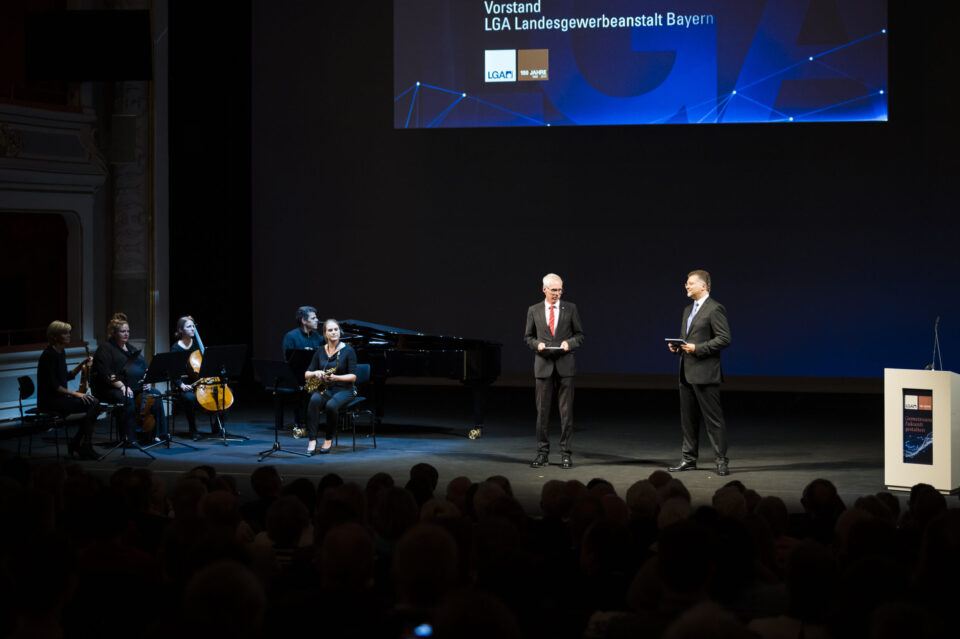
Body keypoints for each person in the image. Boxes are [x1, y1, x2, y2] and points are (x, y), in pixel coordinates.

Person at [667, 270, 731, 476]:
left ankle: (721, 461)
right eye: (686, 283)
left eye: (690, 283)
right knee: (688, 420)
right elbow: (687, 338)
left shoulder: (715, 309)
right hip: (686, 372)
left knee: (713, 420)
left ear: (703, 286)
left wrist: (698, 348)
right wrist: (678, 346)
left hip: (705, 373)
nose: (686, 286)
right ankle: (688, 459)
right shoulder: (687, 310)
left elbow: (724, 339)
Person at [524, 273, 585, 469]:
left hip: (565, 365)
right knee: (542, 413)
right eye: (553, 290)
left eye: (560, 290)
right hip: (543, 366)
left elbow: (580, 335)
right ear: (544, 289)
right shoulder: (534, 310)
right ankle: (542, 453)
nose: (557, 293)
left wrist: (570, 343)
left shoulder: (571, 308)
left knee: (566, 414)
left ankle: (566, 454)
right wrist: (537, 345)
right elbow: (528, 337)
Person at [92, 313, 168, 445]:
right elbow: (106, 373)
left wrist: (147, 381)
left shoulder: (131, 349)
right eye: (122, 331)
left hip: (133, 387)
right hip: (110, 388)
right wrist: (122, 386)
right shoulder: (105, 349)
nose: (126, 334)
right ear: (114, 333)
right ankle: (130, 438)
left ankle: (160, 434)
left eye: (128, 331)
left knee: (156, 395)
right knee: (126, 399)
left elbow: (144, 368)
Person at [36, 321, 100, 459]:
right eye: (65, 333)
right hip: (50, 401)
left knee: (94, 403)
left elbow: (66, 376)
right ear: (55, 336)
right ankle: (81, 444)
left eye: (69, 332)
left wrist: (82, 364)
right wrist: (77, 394)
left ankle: (80, 443)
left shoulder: (60, 352)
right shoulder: (48, 355)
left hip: (59, 398)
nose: (69, 335)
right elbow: (54, 386)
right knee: (93, 402)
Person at [304, 319, 357, 455]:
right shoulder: (320, 351)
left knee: (331, 406)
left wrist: (337, 377)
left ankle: (328, 439)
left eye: (336, 329)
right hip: (326, 387)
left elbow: (353, 376)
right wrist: (316, 373)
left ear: (339, 332)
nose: (333, 332)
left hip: (345, 389)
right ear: (325, 334)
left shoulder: (348, 350)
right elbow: (306, 374)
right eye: (330, 330)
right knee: (314, 400)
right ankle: (312, 439)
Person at [170, 316, 218, 441]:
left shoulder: (197, 344)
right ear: (181, 330)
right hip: (184, 384)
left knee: (222, 391)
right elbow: (173, 371)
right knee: (190, 398)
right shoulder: (176, 348)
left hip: (199, 381)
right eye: (189, 327)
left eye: (193, 326)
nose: (193, 329)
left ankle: (218, 426)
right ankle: (193, 429)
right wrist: (180, 385)